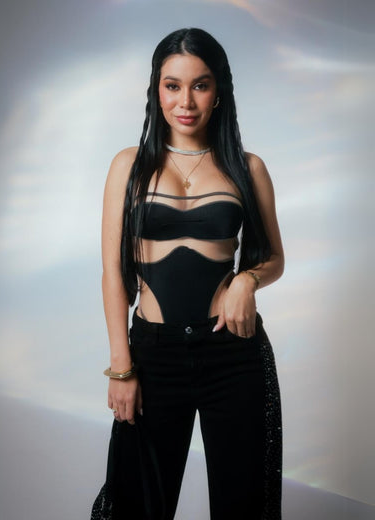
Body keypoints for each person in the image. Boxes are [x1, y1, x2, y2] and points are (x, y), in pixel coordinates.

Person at [92, 27, 284, 520]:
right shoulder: (129, 167)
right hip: (153, 357)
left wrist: (247, 280)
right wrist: (122, 367)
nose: (186, 101)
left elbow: (273, 258)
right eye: (172, 85)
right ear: (156, 91)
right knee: (135, 505)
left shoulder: (248, 168)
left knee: (244, 506)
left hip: (233, 354)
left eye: (200, 85)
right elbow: (113, 274)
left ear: (218, 91)